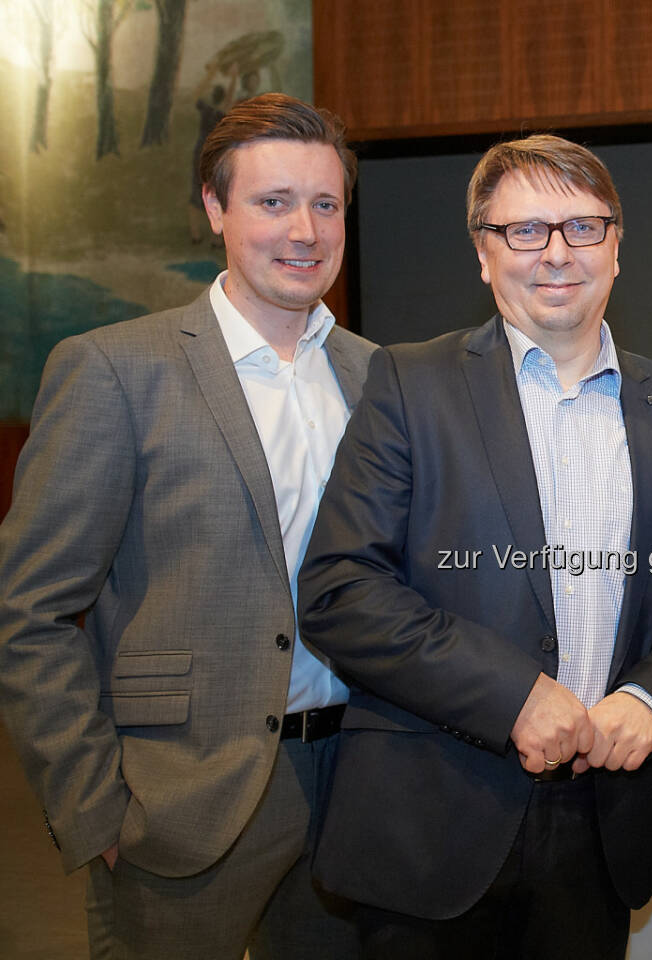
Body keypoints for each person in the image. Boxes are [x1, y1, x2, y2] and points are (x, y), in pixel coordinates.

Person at [296, 134, 652, 959]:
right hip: (433, 818)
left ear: (617, 246)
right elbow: (340, 587)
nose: (557, 253)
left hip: (600, 822)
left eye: (582, 227)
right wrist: (513, 696)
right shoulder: (409, 384)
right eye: (525, 230)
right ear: (484, 254)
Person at [0, 93, 373, 959]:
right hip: (177, 802)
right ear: (215, 208)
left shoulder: (376, 376)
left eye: (325, 205)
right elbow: (31, 611)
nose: (304, 231)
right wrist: (92, 806)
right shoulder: (114, 370)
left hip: (353, 785)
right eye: (273, 202)